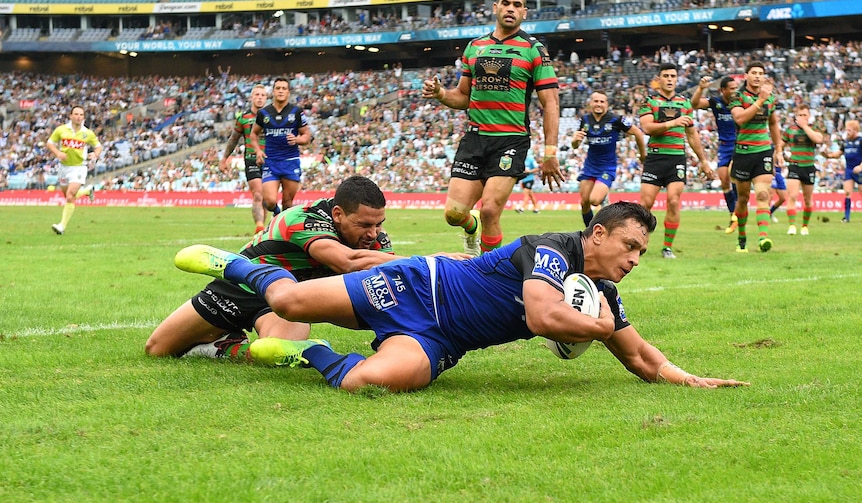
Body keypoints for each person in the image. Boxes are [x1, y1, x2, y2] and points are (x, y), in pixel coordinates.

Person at [173, 202, 749, 393]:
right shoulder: (549, 250)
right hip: (415, 285)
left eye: (641, 254)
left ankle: (305, 355)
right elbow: (544, 317)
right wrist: (598, 326)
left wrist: (690, 379)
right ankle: (237, 263)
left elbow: (641, 357)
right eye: (628, 246)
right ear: (597, 234)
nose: (633, 260)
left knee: (372, 382)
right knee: (291, 303)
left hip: (441, 336)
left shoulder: (599, 292)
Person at [146, 176, 401, 362]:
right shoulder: (303, 218)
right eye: (365, 224)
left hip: (287, 301)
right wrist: (426, 262)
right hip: (242, 286)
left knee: (273, 353)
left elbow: (383, 286)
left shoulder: (376, 238)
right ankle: (223, 332)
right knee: (157, 349)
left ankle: (225, 346)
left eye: (379, 224)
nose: (373, 233)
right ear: (337, 214)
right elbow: (347, 262)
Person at [422, 0, 564, 257]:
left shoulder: (534, 50)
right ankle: (470, 226)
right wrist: (440, 93)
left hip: (510, 140)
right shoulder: (475, 47)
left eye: (517, 5)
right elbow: (462, 96)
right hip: (475, 138)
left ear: (525, 12)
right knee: (454, 214)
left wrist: (550, 152)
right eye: (506, 3)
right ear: (495, 8)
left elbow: (551, 104)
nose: (511, 8)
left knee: (489, 209)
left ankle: (486, 276)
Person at [638, 64, 715, 258]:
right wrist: (672, 122)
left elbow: (692, 135)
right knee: (645, 204)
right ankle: (640, 242)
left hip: (676, 158)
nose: (670, 79)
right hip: (655, 157)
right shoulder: (649, 102)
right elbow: (647, 128)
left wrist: (704, 160)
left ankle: (667, 247)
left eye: (673, 76)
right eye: (666, 76)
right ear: (660, 79)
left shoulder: (685, 103)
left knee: (673, 200)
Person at [729, 61, 783, 253]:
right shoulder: (738, 96)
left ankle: (763, 237)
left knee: (763, 194)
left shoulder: (770, 98)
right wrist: (760, 100)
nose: (758, 76)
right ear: (746, 76)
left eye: (761, 73)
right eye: (754, 73)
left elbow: (774, 124)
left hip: (763, 152)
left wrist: (778, 149)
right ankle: (742, 236)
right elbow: (740, 118)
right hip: (743, 152)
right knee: (743, 199)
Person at [572, 90, 646, 228]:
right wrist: (575, 140)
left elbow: (638, 133)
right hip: (590, 166)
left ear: (607, 104)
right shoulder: (585, 120)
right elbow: (575, 145)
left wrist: (643, 155)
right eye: (596, 101)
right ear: (590, 103)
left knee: (594, 200)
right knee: (584, 202)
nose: (598, 104)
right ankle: (590, 231)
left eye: (602, 101)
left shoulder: (616, 119)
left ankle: (604, 198)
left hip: (607, 167)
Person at [250, 77, 311, 215]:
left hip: (290, 161)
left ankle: (283, 233)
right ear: (273, 91)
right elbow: (253, 134)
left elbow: (307, 136)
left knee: (288, 203)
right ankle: (277, 213)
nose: (281, 91)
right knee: (269, 201)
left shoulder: (296, 112)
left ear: (288, 92)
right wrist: (258, 151)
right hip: (271, 161)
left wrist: (297, 140)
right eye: (278, 88)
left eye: (284, 88)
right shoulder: (264, 113)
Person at [690, 75, 740, 234]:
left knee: (733, 175)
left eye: (735, 88)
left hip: (740, 145)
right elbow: (695, 104)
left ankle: (739, 214)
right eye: (731, 89)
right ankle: (733, 216)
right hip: (725, 146)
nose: (734, 91)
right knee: (724, 182)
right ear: (723, 90)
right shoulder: (716, 102)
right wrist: (701, 88)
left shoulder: (740, 102)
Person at [45, 105, 102, 235]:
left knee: (70, 196)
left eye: (81, 115)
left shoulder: (87, 133)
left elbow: (98, 147)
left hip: (79, 167)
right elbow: (50, 143)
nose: (78, 117)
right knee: (68, 197)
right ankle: (87, 191)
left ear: (84, 117)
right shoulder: (61, 130)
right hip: (64, 167)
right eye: (76, 114)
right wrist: (58, 153)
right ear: (70, 116)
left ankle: (61, 226)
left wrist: (95, 154)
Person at [219, 83, 268, 234]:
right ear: (252, 97)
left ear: (266, 98)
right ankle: (259, 226)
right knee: (258, 194)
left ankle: (262, 230)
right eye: (257, 95)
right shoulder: (243, 118)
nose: (259, 98)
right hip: (251, 159)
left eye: (263, 95)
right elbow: (234, 139)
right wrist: (224, 158)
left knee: (266, 198)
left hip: (269, 160)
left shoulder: (270, 117)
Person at [782, 104, 824, 236]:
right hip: (795, 165)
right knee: (793, 196)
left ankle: (805, 226)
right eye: (800, 115)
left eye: (804, 115)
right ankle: (792, 225)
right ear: (795, 116)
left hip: (808, 167)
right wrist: (780, 154)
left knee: (807, 199)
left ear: (809, 116)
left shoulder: (813, 128)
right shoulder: (790, 130)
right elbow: (780, 145)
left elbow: (818, 139)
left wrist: (805, 126)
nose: (802, 117)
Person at [825, 119, 861, 222]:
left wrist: (860, 167)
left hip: (860, 170)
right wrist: (827, 155)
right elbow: (837, 154)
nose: (847, 132)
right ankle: (847, 217)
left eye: (849, 130)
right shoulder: (846, 142)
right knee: (847, 192)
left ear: (855, 130)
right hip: (849, 170)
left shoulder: (860, 140)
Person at [515, 148, 540, 213]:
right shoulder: (521, 160)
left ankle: (522, 208)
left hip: (530, 179)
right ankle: (536, 208)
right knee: (530, 194)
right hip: (523, 179)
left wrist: (529, 171)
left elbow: (537, 168)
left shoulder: (531, 160)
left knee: (526, 193)